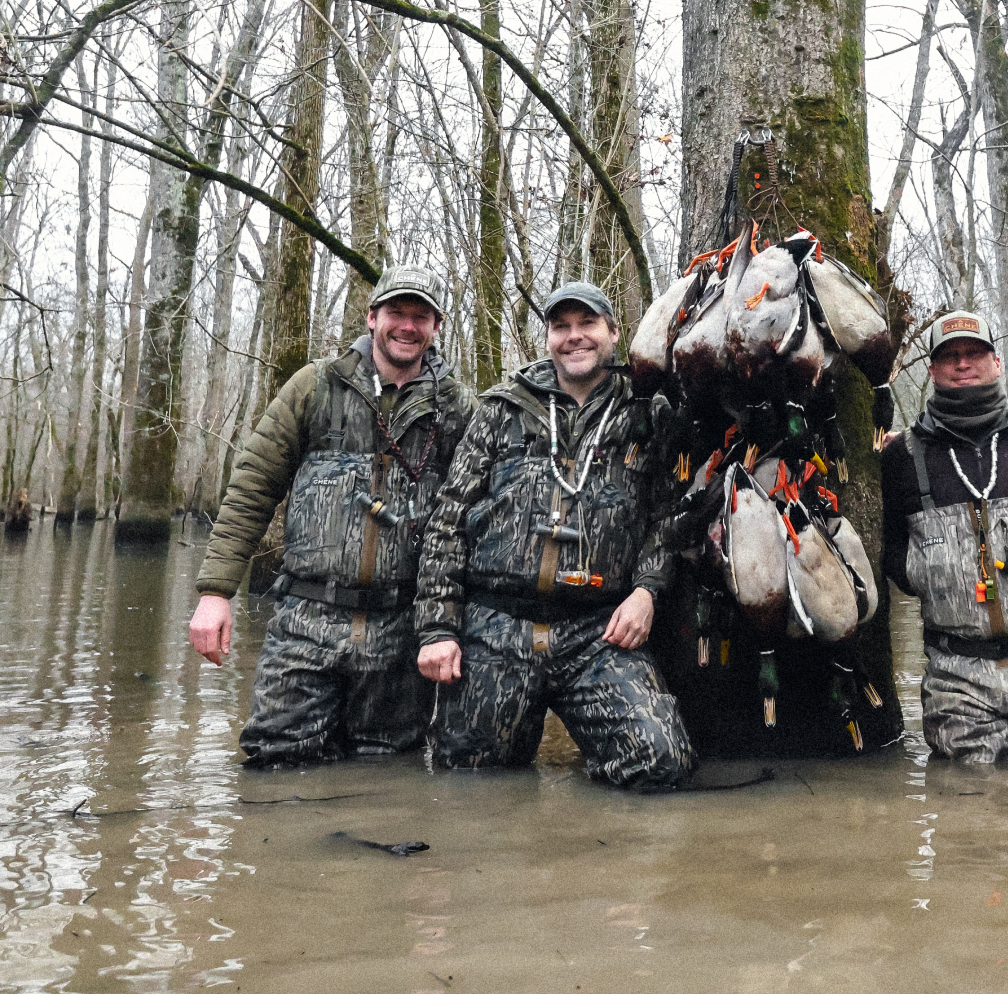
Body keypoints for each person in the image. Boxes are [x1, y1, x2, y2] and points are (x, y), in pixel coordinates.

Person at [188, 265, 478, 766]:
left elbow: (473, 517)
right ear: (371, 318)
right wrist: (216, 592)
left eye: (420, 316)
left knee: (386, 777)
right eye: (396, 313)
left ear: (437, 326)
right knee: (273, 765)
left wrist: (449, 626)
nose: (407, 326)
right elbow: (253, 487)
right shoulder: (314, 386)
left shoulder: (457, 408)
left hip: (401, 630)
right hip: (305, 622)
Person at [412, 281, 694, 789]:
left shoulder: (647, 413)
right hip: (497, 626)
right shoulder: (502, 410)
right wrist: (438, 630)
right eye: (561, 327)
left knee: (661, 763)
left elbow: (667, 520)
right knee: (466, 784)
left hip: (596, 629)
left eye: (587, 324)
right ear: (547, 338)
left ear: (613, 332)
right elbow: (447, 522)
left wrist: (646, 592)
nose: (574, 337)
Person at [881, 311, 1008, 762]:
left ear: (996, 362)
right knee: (972, 809)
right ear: (933, 370)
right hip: (955, 671)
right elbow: (891, 549)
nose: (963, 364)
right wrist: (926, 573)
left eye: (974, 353)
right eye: (949, 356)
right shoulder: (901, 456)